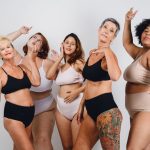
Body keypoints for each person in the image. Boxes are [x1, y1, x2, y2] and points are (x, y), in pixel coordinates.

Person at [73, 18, 122, 150]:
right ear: (99, 30)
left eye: (111, 31)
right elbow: (90, 82)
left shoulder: (109, 56)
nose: (106, 31)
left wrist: (107, 51)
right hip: (90, 111)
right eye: (105, 27)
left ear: (113, 37)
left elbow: (116, 76)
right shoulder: (93, 53)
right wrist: (81, 105)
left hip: (107, 112)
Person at [7, 27, 59, 150]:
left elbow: (71, 75)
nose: (36, 39)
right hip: (22, 108)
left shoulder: (48, 63)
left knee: (42, 141)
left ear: (41, 48)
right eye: (34, 37)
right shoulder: (17, 59)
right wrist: (20, 31)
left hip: (44, 107)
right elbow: (2, 42)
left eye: (39, 40)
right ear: (28, 41)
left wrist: (59, 61)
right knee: (21, 145)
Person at [0, 36, 40, 150]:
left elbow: (36, 82)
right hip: (13, 116)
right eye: (2, 49)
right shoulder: (1, 73)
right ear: (0, 54)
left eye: (8, 47)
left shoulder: (22, 67)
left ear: (13, 48)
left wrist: (32, 60)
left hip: (29, 113)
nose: (6, 50)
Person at [46, 33, 85, 150]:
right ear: (62, 45)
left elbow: (94, 80)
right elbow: (49, 75)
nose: (69, 45)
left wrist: (76, 91)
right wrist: (60, 57)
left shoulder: (79, 62)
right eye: (67, 43)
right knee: (67, 146)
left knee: (77, 145)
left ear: (76, 48)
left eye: (72, 44)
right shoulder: (61, 66)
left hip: (76, 106)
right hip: (61, 108)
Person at [123, 8, 150, 150]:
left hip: (147, 109)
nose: (148, 33)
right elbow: (127, 43)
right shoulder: (140, 52)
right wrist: (127, 21)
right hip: (136, 110)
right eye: (146, 30)